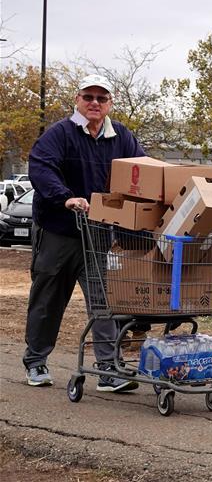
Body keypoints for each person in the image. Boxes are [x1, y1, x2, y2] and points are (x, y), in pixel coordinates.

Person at [24, 74, 144, 392]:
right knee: (48, 298)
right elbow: (40, 166)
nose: (94, 103)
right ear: (77, 100)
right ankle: (36, 360)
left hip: (100, 234)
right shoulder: (61, 134)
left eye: (101, 98)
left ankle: (108, 369)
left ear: (109, 104)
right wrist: (65, 196)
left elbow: (141, 170)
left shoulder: (122, 137)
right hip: (58, 230)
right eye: (88, 97)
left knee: (104, 301)